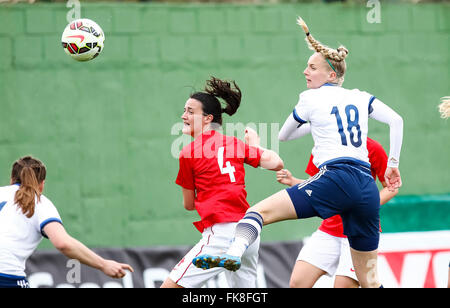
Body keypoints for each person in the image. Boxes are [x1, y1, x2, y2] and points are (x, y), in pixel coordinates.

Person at [193, 17, 403, 288]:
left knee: (256, 214)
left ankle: (232, 252)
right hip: (365, 189)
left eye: (312, 67)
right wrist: (394, 162)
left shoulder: (310, 98)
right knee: (371, 283)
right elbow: (397, 121)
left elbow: (284, 135)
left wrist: (272, 137)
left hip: (337, 178)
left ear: (331, 75)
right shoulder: (361, 97)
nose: (305, 71)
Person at [161, 77, 284, 288]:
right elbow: (277, 163)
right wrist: (255, 146)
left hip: (222, 234)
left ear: (208, 118)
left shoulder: (188, 152)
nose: (183, 116)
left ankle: (224, 255)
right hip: (248, 232)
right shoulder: (234, 143)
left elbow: (189, 205)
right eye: (184, 110)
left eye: (191, 111)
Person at [277, 136, 398, 288]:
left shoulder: (372, 147)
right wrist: (293, 181)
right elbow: (316, 186)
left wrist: (366, 205)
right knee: (298, 283)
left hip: (359, 229)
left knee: (346, 286)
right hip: (330, 229)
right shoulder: (323, 146)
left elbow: (392, 186)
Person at [0, 156, 133, 288]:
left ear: (12, 179)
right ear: (41, 185)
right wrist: (104, 264)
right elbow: (63, 243)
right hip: (6, 277)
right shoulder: (40, 203)